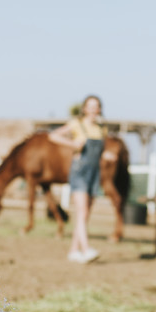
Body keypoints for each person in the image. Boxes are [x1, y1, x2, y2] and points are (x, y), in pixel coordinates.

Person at [49, 95, 107, 264]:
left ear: (99, 109)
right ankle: (86, 249)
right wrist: (73, 145)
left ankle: (73, 251)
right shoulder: (77, 124)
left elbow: (97, 152)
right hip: (79, 171)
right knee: (81, 212)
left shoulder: (102, 129)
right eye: (90, 106)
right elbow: (53, 136)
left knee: (86, 214)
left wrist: (106, 155)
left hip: (94, 173)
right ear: (84, 108)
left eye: (96, 106)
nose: (93, 109)